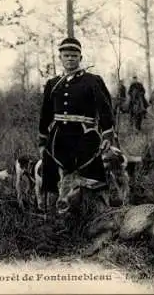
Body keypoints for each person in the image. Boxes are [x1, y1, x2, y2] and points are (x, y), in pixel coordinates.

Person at [38, 38, 115, 208]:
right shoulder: (52, 84)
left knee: (90, 176)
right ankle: (55, 213)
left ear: (81, 57)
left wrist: (107, 133)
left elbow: (104, 108)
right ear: (60, 57)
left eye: (74, 55)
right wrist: (43, 139)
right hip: (58, 138)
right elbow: (46, 113)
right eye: (66, 55)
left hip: (85, 136)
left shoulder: (92, 80)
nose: (70, 59)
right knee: (54, 176)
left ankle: (93, 211)